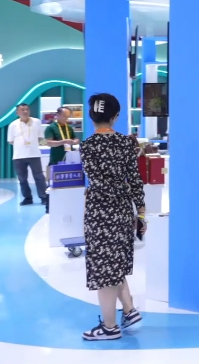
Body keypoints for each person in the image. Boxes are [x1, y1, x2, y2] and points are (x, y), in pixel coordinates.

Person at [80, 93, 146, 341]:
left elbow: (97, 182)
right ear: (116, 116)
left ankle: (109, 327)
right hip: (123, 210)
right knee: (114, 263)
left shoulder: (87, 146)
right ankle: (129, 310)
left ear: (91, 116)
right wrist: (141, 213)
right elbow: (135, 181)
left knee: (104, 270)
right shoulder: (127, 144)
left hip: (99, 211)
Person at [8, 103, 48, 207]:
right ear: (17, 112)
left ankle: (44, 197)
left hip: (34, 154)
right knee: (22, 179)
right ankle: (27, 198)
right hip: (18, 156)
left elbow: (40, 137)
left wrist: (44, 145)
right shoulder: (13, 125)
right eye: (22, 110)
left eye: (27, 109)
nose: (25, 111)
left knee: (39, 177)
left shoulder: (36, 122)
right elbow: (11, 140)